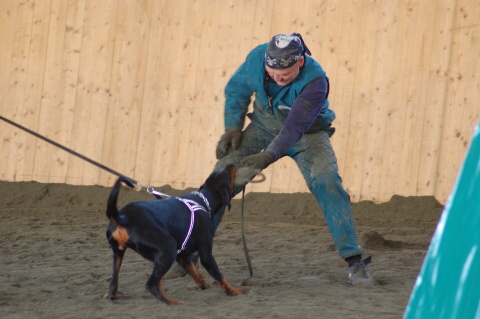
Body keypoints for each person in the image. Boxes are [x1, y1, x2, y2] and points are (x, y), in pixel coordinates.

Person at [167, 33, 372, 284]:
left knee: (327, 181)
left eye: (284, 75)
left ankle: (354, 261)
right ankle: (190, 254)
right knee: (220, 177)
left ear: (299, 62)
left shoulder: (316, 81)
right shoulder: (256, 58)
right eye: (272, 73)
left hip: (307, 132)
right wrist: (232, 127)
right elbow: (237, 89)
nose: (277, 78)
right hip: (263, 124)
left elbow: (293, 130)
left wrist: (267, 156)